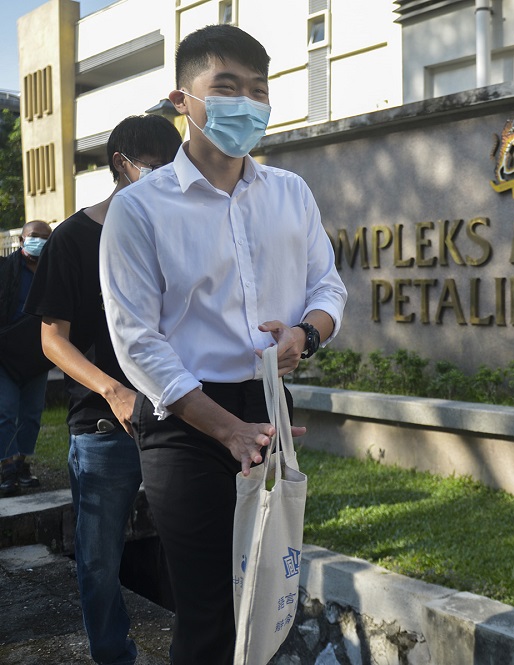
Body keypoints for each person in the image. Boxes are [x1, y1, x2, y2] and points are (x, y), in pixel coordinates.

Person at [99, 24, 347, 664]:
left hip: (267, 408)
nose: (247, 103)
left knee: (270, 601)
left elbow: (328, 287)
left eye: (258, 90)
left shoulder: (290, 193)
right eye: (227, 87)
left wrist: (304, 335)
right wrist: (226, 429)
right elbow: (136, 340)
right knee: (209, 612)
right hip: (185, 423)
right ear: (183, 99)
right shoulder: (141, 208)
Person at [25, 114, 182, 665]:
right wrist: (114, 391)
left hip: (179, 414)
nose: (171, 181)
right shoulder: (71, 240)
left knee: (190, 548)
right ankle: (114, 656)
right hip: (102, 425)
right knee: (97, 560)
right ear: (122, 165)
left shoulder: (176, 232)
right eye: (159, 169)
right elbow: (52, 340)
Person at [0, 220, 52, 496]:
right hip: (6, 353)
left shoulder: (53, 272)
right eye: (33, 236)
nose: (39, 242)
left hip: (38, 354)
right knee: (6, 411)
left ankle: (21, 463)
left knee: (31, 414)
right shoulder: (5, 270)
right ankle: (7, 467)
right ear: (21, 240)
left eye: (45, 238)